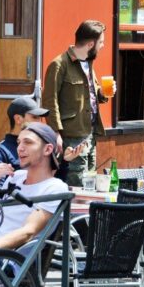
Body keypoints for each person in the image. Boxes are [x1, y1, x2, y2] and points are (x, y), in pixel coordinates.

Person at [42, 20, 110, 188]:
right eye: (101, 42)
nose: (103, 46)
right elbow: (49, 101)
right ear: (90, 44)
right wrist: (56, 132)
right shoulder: (59, 64)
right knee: (76, 183)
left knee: (90, 182)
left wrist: (101, 93)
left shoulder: (87, 63)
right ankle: (73, 215)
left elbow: (89, 95)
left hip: (90, 134)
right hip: (71, 136)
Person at [0, 122, 69, 253]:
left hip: (4, 259)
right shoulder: (16, 176)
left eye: (28, 142)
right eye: (19, 142)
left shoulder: (55, 187)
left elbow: (28, 232)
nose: (20, 148)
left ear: (47, 149)